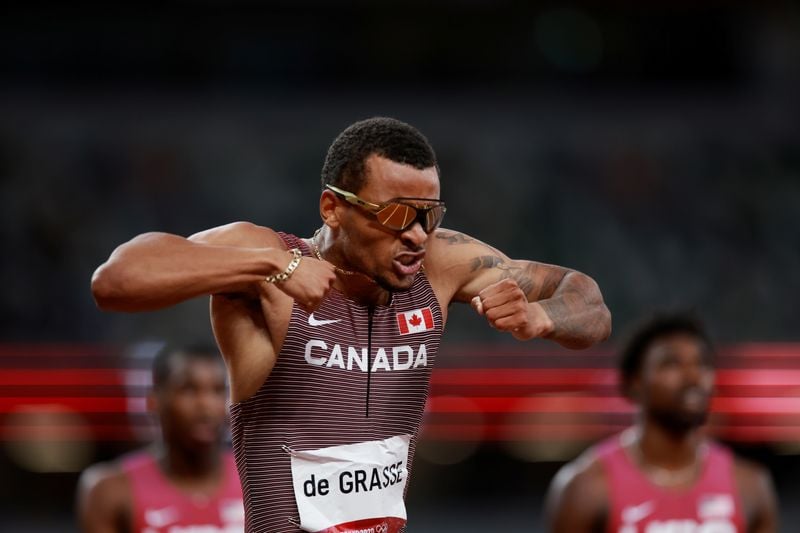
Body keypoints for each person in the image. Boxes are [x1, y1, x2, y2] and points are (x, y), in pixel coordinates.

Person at [91, 116, 611, 532]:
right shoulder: (268, 259)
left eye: (429, 214)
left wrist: (541, 317)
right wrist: (273, 267)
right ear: (332, 208)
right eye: (395, 216)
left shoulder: (442, 263)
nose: (416, 235)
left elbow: (588, 302)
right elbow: (116, 281)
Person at [545, 312, 778, 533]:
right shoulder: (586, 488)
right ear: (634, 382)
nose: (693, 377)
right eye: (671, 364)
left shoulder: (750, 486)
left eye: (703, 363)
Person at [76, 344, 244, 533]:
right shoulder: (110, 490)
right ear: (154, 402)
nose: (206, 405)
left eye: (218, 390)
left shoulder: (260, 481)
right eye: (188, 389)